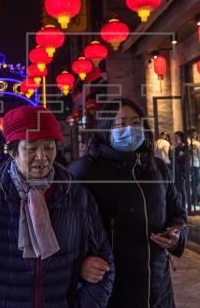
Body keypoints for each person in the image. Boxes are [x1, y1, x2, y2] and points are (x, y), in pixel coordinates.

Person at [0, 106, 114, 307]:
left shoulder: (76, 196)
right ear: (12, 151)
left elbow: (104, 260)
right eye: (32, 147)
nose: (42, 157)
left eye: (49, 146)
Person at [69, 98, 187, 308]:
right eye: (120, 124)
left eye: (135, 122)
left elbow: (177, 212)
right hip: (110, 288)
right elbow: (65, 229)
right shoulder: (85, 172)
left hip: (157, 286)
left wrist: (176, 234)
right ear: (106, 129)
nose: (130, 129)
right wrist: (80, 264)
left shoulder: (156, 168)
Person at [171, 131, 189, 210]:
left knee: (182, 189)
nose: (174, 139)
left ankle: (184, 206)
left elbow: (186, 161)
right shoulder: (175, 148)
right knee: (177, 189)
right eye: (174, 137)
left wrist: (184, 173)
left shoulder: (185, 148)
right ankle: (179, 206)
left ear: (181, 138)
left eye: (176, 137)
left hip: (182, 172)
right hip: (175, 172)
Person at [188, 127, 200, 206]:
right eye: (195, 133)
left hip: (187, 165)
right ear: (193, 134)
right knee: (195, 182)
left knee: (189, 183)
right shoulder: (197, 144)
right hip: (195, 164)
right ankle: (195, 199)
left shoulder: (185, 142)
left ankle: (190, 199)